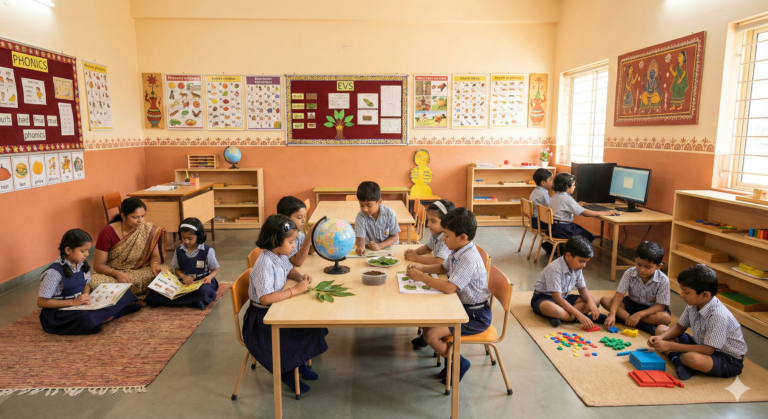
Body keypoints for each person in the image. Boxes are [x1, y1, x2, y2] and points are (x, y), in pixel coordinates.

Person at [243, 215, 329, 395]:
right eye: (291, 242)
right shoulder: (265, 263)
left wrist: (299, 277)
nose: (293, 246)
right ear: (275, 241)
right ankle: (287, 372)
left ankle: (299, 363)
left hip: (276, 309)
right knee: (296, 334)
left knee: (315, 326)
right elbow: (265, 298)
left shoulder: (278, 254)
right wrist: (296, 290)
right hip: (262, 320)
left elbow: (289, 268)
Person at [406, 208, 491, 384]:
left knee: (431, 335)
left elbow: (449, 287)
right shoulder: (458, 249)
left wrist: (422, 277)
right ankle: (451, 359)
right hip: (460, 307)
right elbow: (444, 268)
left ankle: (459, 362)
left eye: (446, 235)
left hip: (473, 316)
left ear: (462, 237)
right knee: (427, 323)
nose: (443, 239)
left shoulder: (468, 258)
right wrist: (422, 268)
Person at [649, 264, 747, 380]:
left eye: (686, 292)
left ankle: (679, 360)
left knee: (690, 358)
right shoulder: (693, 304)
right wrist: (662, 338)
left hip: (726, 358)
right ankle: (678, 361)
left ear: (705, 295)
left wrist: (670, 345)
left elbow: (708, 350)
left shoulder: (719, 315)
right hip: (701, 344)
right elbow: (680, 327)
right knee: (661, 330)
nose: (681, 295)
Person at [38, 229, 140, 335]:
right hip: (60, 313)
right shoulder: (53, 273)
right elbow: (41, 302)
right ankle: (120, 312)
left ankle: (103, 316)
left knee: (121, 294)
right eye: (83, 251)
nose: (87, 254)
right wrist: (73, 303)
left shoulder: (81, 264)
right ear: (68, 250)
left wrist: (86, 296)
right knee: (86, 317)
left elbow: (86, 284)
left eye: (88, 250)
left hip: (79, 304)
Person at [90, 197, 170, 298]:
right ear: (123, 216)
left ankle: (125, 295)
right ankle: (146, 293)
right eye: (135, 217)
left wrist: (154, 264)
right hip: (114, 274)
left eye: (143, 216)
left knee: (166, 272)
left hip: (141, 271)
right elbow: (98, 265)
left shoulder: (148, 229)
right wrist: (117, 274)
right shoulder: (107, 233)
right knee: (93, 283)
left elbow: (155, 256)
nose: (140, 221)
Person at [404, 199, 455, 349]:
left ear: (446, 222)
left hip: (448, 281)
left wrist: (417, 259)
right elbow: (428, 247)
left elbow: (440, 261)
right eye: (428, 220)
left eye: (433, 221)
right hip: (442, 276)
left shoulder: (447, 238)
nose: (428, 225)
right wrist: (414, 252)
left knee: (423, 300)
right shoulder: (436, 233)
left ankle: (430, 337)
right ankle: (426, 336)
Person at [144, 218, 219, 310]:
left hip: (202, 282)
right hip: (185, 281)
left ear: (199, 236)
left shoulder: (208, 250)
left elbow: (214, 270)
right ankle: (194, 302)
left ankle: (171, 302)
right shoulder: (179, 250)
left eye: (190, 238)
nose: (186, 241)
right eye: (183, 238)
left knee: (204, 291)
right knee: (157, 290)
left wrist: (209, 277)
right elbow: (177, 270)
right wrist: (183, 276)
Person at [531, 236, 605, 328]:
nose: (584, 265)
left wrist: (590, 302)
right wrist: (580, 315)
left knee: (595, 301)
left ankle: (561, 317)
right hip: (545, 298)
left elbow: (583, 289)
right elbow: (557, 298)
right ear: (568, 256)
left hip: (563, 298)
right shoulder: (554, 268)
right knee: (555, 310)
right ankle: (581, 317)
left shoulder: (577, 267)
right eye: (581, 261)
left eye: (586, 262)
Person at [601, 241, 671, 335]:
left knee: (665, 318)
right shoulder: (629, 273)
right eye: (639, 264)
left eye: (647, 267)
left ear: (658, 266)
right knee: (605, 300)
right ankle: (643, 326)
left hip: (650, 310)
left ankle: (625, 318)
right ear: (635, 260)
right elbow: (619, 295)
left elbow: (660, 306)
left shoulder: (663, 279)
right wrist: (612, 314)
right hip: (631, 304)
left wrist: (639, 314)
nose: (642, 270)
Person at [549, 173, 618, 244]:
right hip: (562, 230)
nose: (574, 187)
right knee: (587, 236)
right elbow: (585, 213)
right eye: (573, 185)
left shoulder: (555, 196)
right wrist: (605, 213)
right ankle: (576, 254)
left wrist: (576, 205)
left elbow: (564, 206)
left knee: (578, 228)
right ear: (567, 186)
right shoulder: (567, 198)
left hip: (552, 228)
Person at [354, 181, 401, 256]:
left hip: (389, 249)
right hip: (370, 252)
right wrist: (361, 246)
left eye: (369, 205)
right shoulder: (360, 216)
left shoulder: (389, 214)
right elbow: (360, 239)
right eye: (361, 205)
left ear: (379, 202)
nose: (364, 209)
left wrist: (379, 246)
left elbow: (395, 237)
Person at [276, 196, 314, 267]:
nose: (304, 221)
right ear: (286, 219)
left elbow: (310, 251)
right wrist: (309, 235)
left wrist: (317, 235)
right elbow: (297, 262)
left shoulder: (298, 232)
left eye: (304, 217)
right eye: (299, 217)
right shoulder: (284, 235)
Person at [529, 168, 554, 253]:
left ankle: (549, 245)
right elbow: (550, 207)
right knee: (557, 226)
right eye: (550, 179)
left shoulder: (536, 190)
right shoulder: (543, 193)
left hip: (533, 220)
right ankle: (551, 246)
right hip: (539, 222)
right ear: (543, 183)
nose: (552, 181)